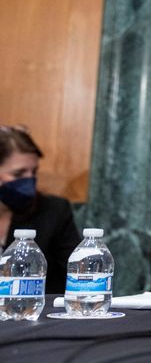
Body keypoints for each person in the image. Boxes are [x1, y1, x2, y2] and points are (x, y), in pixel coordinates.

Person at [0, 125, 81, 294]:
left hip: (35, 313)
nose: (30, 180)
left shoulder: (54, 211)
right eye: (19, 174)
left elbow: (76, 276)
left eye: (34, 172)